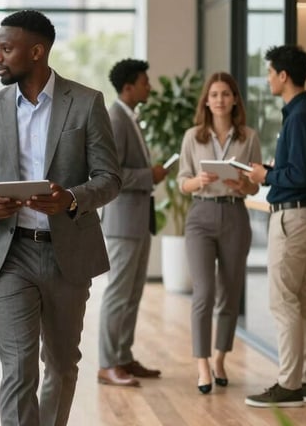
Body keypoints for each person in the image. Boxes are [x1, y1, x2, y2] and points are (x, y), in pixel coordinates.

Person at [0, 10, 121, 426]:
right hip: (11, 253)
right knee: (18, 367)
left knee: (63, 363)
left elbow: (110, 179)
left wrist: (70, 198)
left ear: (37, 51)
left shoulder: (86, 103)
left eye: (5, 48)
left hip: (66, 255)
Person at [245, 45, 306, 408]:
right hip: (303, 215)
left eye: (269, 73)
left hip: (293, 217)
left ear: (283, 75)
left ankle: (289, 383)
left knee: (282, 302)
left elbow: (298, 174)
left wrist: (266, 175)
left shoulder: (300, 117)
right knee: (302, 300)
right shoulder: (305, 114)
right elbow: (301, 170)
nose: (267, 79)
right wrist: (272, 172)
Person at [176, 72, 261, 394]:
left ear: (235, 99)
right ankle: (202, 364)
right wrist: (199, 181)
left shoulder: (248, 137)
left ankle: (221, 358)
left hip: (235, 215)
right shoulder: (192, 137)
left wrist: (243, 184)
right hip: (200, 215)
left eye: (226, 93)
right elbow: (182, 182)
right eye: (214, 94)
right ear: (207, 101)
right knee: (204, 293)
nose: (220, 99)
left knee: (229, 292)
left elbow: (253, 183)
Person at [97, 59, 166, 388]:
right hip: (123, 221)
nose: (148, 86)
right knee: (118, 294)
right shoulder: (115, 119)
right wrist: (148, 176)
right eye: (144, 82)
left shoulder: (129, 117)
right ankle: (108, 363)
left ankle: (123, 356)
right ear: (129, 86)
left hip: (137, 220)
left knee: (132, 294)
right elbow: (111, 174)